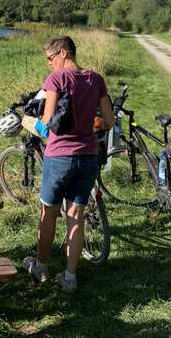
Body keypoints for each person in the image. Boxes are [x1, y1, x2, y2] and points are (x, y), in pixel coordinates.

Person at [22, 36, 115, 291]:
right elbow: (108, 119)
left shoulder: (57, 79)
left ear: (63, 53)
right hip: (88, 157)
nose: (50, 64)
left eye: (51, 59)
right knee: (76, 216)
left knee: (48, 213)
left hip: (60, 156)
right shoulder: (96, 79)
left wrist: (31, 122)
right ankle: (70, 277)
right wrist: (88, 125)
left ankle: (41, 266)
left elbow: (48, 121)